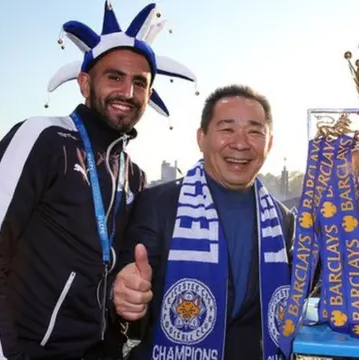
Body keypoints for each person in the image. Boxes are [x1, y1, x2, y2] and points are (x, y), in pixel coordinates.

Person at [0, 2, 197, 359]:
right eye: (114, 77)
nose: (127, 92)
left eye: (140, 83)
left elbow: (112, 268)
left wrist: (129, 293)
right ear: (85, 83)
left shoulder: (133, 175)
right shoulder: (44, 138)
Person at [113, 85, 296, 360]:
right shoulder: (157, 203)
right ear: (202, 138)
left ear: (269, 143)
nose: (241, 143)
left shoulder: (282, 220)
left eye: (255, 131)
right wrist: (125, 292)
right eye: (227, 129)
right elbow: (126, 278)